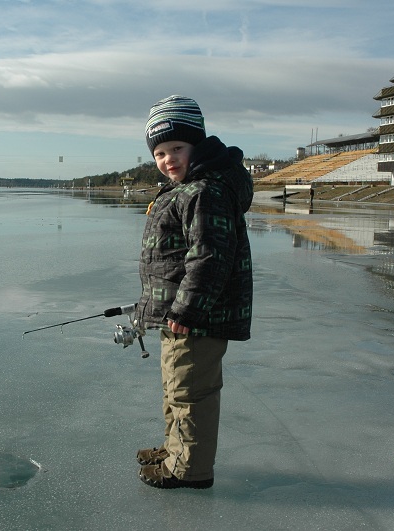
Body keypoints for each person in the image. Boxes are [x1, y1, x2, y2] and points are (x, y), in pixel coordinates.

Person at [134, 95, 254, 489]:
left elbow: (209, 258)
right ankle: (175, 449)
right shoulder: (184, 189)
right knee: (175, 388)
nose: (168, 160)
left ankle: (190, 469)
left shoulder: (204, 191)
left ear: (197, 146)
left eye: (177, 149)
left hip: (197, 319)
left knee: (191, 395)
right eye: (160, 153)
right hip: (180, 316)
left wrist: (187, 312)